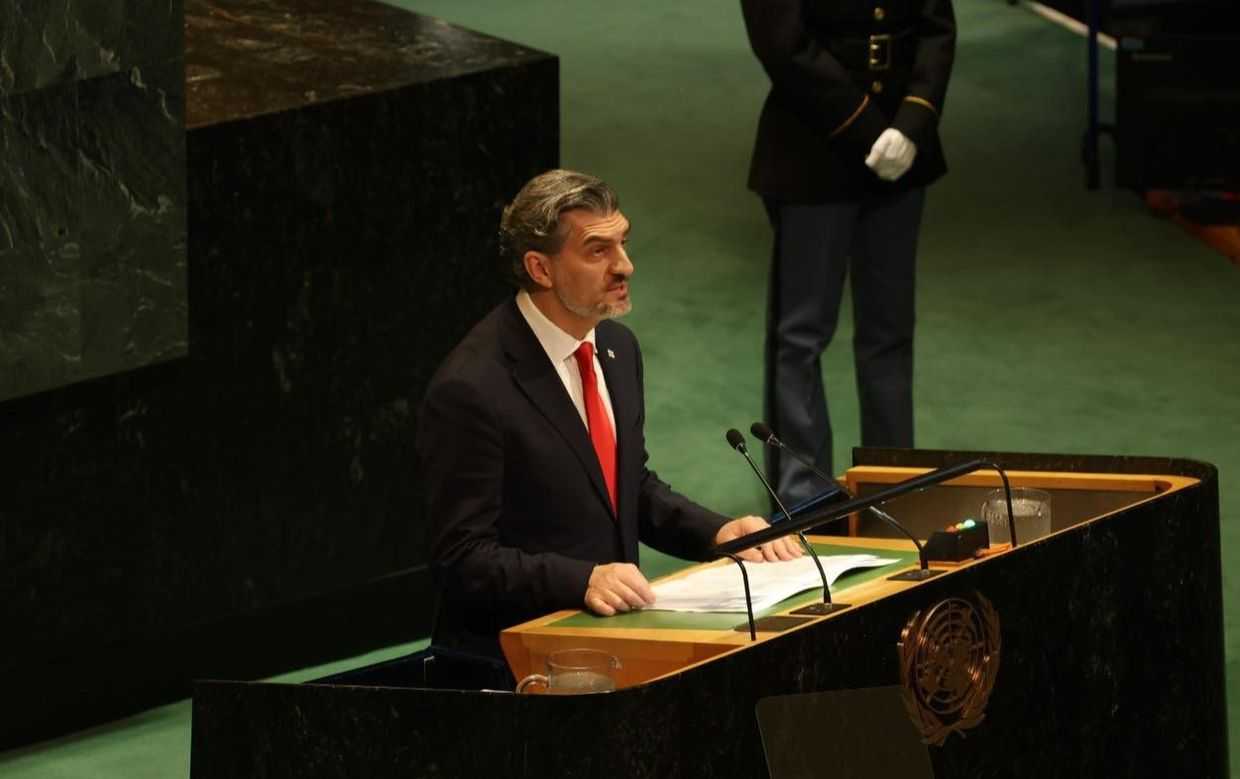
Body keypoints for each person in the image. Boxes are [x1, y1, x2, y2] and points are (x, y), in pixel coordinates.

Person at [417, 169, 801, 680]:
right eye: (598, 251)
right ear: (540, 268)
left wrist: (718, 532)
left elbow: (625, 486)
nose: (625, 266)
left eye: (623, 243)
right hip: (512, 665)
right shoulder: (472, 387)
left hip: (609, 647)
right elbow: (462, 559)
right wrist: (581, 580)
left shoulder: (617, 348)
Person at [740, 0, 956, 506]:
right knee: (801, 336)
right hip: (814, 148)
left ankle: (894, 482)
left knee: (890, 331)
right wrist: (869, 130)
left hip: (903, 153)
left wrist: (912, 123)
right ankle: (802, 498)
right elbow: (782, 43)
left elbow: (936, 29)